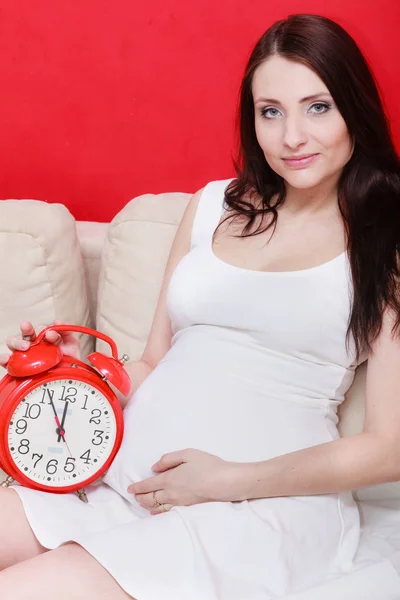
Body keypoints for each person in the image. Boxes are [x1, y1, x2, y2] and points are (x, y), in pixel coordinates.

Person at [1, 12, 400, 600]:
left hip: (252, 509)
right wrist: (77, 376)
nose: (292, 136)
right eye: (271, 111)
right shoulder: (215, 205)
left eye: (318, 107)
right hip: (120, 482)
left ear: (354, 110)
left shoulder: (384, 239)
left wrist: (226, 482)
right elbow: (152, 361)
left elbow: (388, 447)